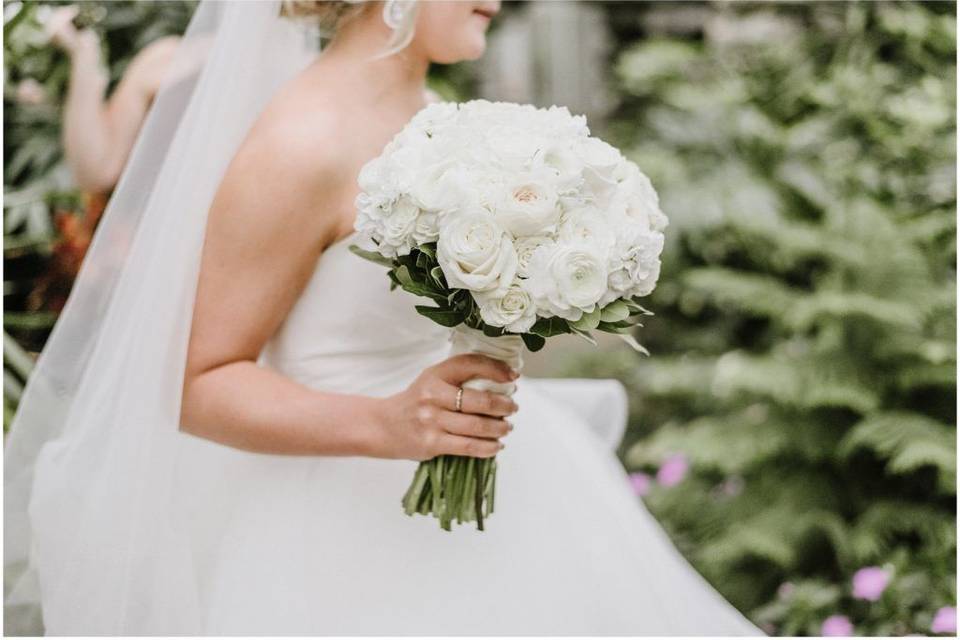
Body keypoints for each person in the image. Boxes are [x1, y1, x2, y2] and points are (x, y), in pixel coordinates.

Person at [4, 1, 764, 635]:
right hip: (333, 536)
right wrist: (389, 425)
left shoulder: (432, 114)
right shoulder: (303, 141)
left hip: (495, 484)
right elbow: (194, 382)